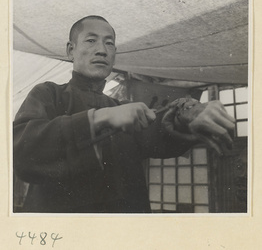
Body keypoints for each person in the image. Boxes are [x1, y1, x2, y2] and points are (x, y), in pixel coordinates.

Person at [13, 15, 235, 213]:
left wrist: (189, 111)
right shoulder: (49, 94)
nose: (102, 49)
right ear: (71, 50)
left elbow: (158, 130)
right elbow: (22, 150)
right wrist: (100, 118)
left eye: (109, 43)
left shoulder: (123, 107)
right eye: (91, 40)